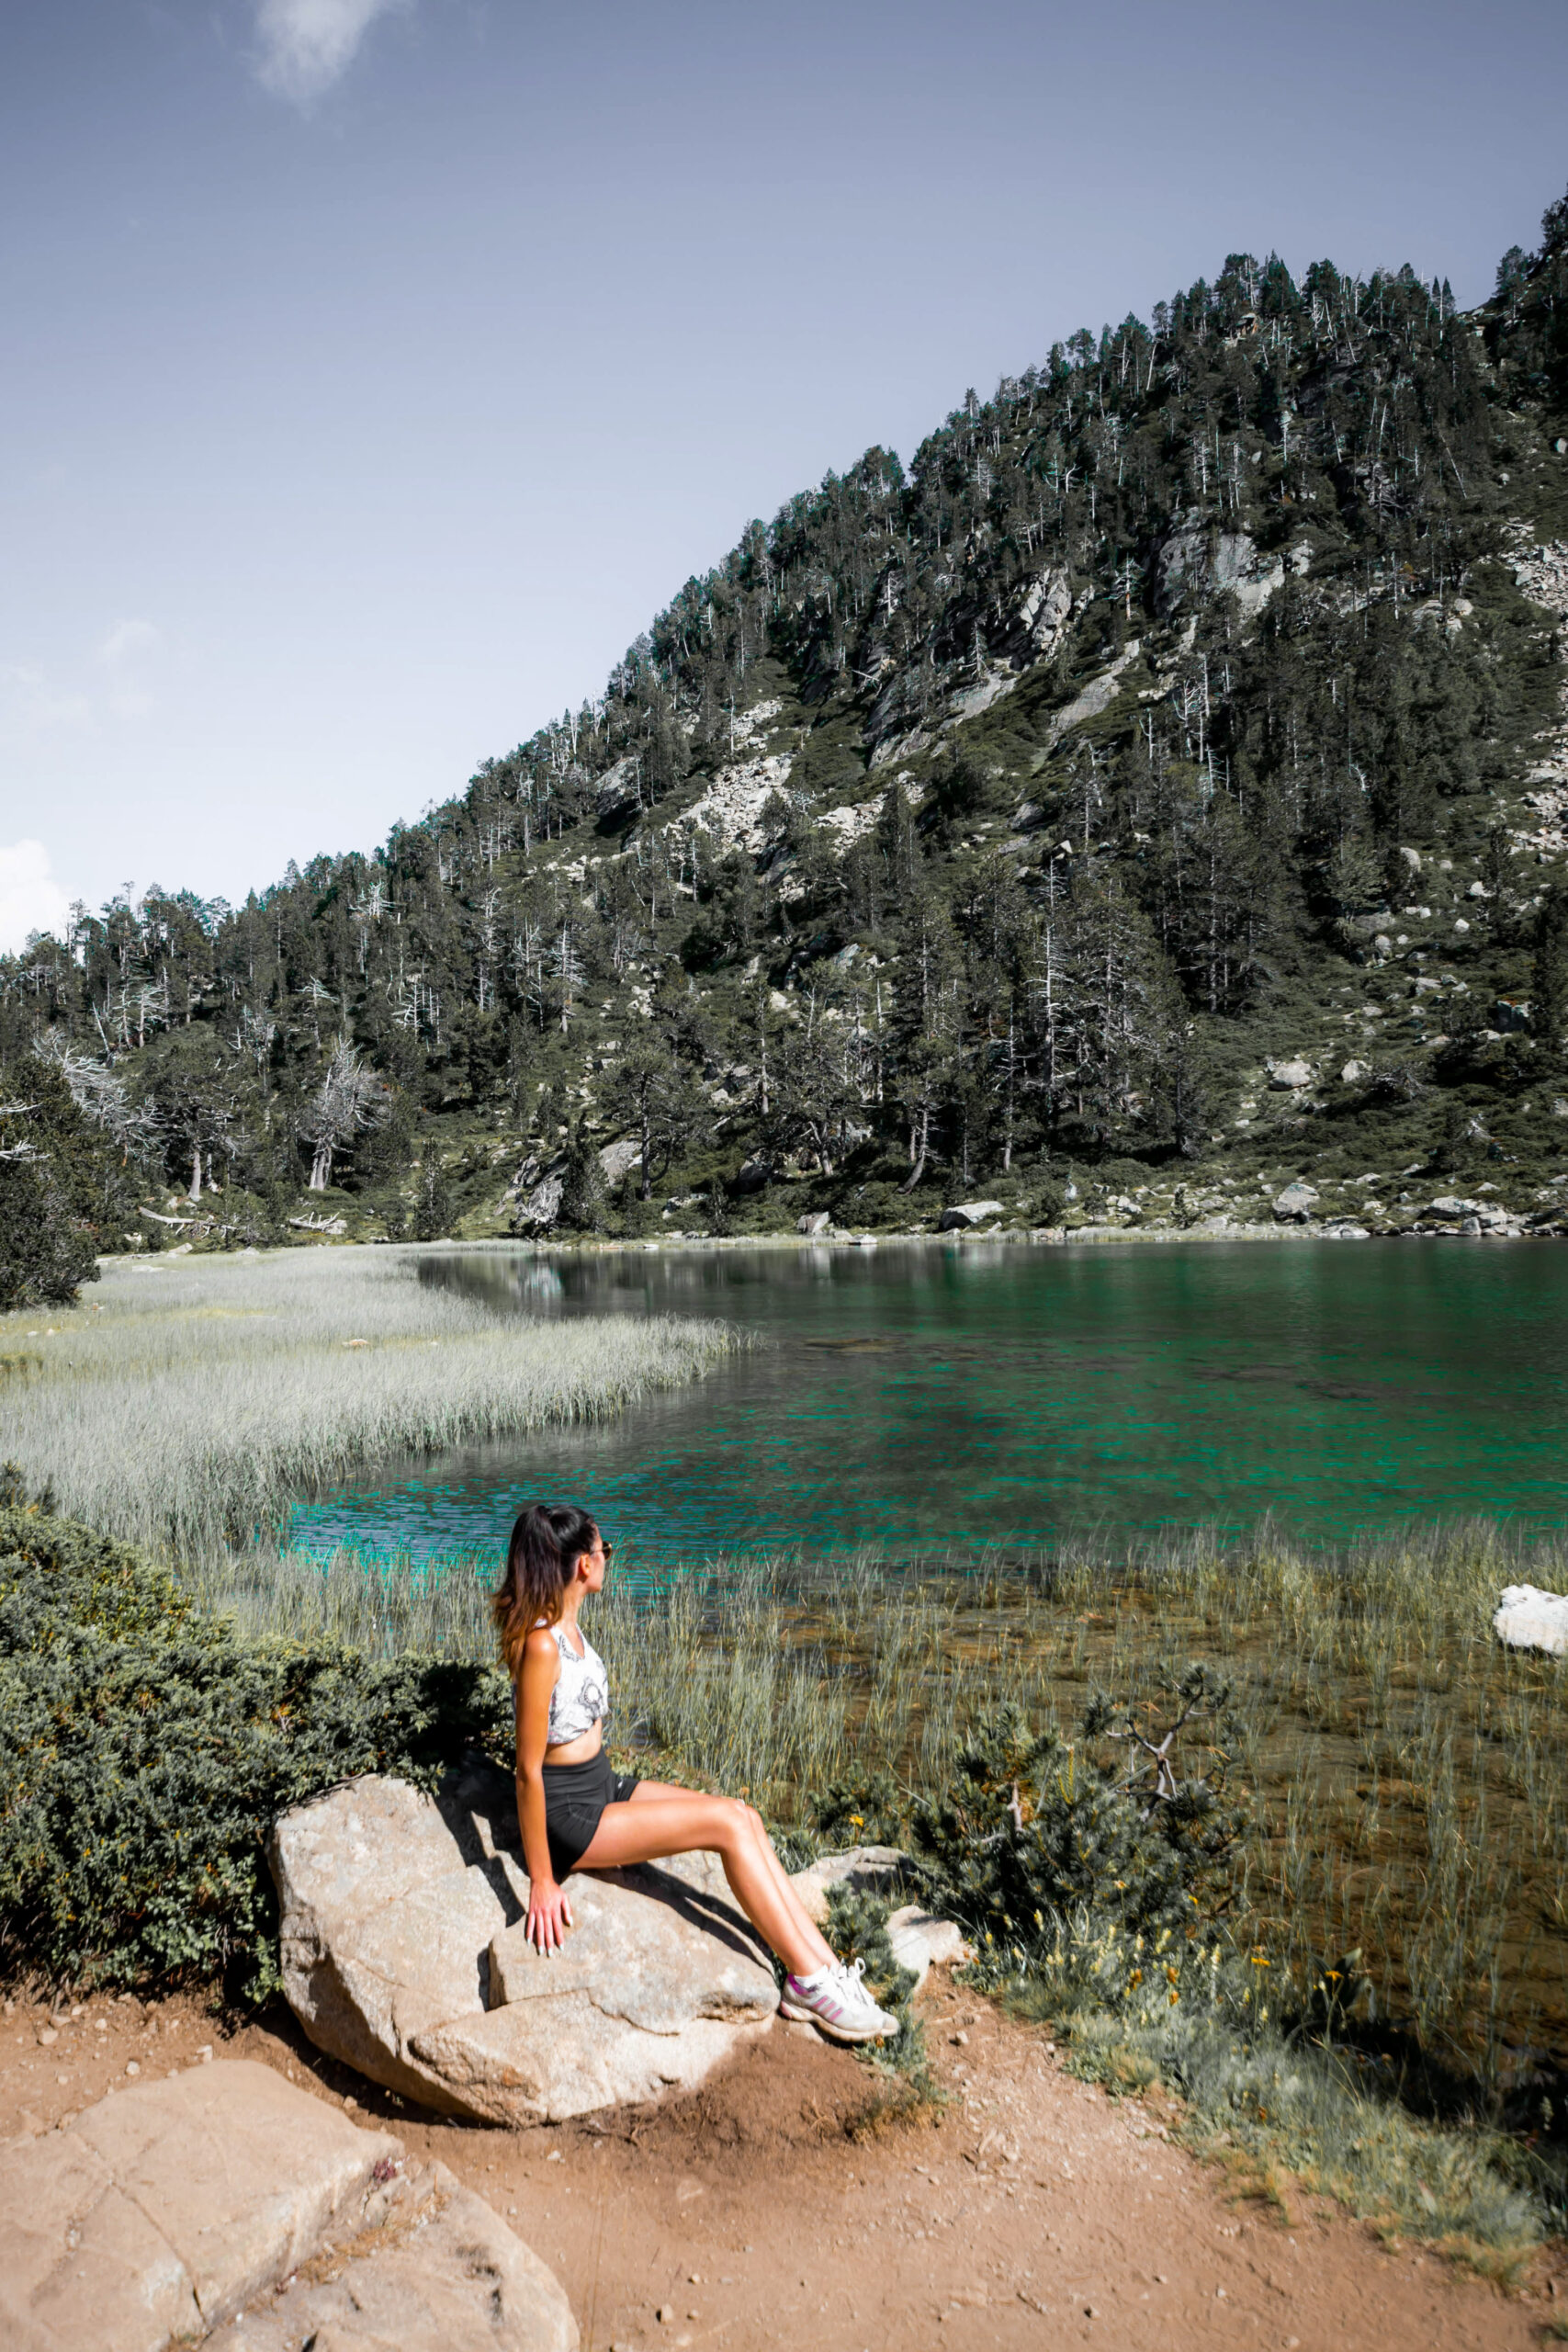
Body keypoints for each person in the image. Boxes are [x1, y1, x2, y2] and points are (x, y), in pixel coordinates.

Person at [495, 1500, 899, 2046]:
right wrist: (542, 1880)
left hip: (602, 1787)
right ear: (584, 1566)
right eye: (604, 1550)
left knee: (743, 1815)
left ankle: (827, 1970)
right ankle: (808, 1984)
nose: (608, 1558)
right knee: (727, 1829)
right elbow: (526, 1771)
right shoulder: (543, 1644)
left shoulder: (571, 1631)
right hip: (571, 1818)